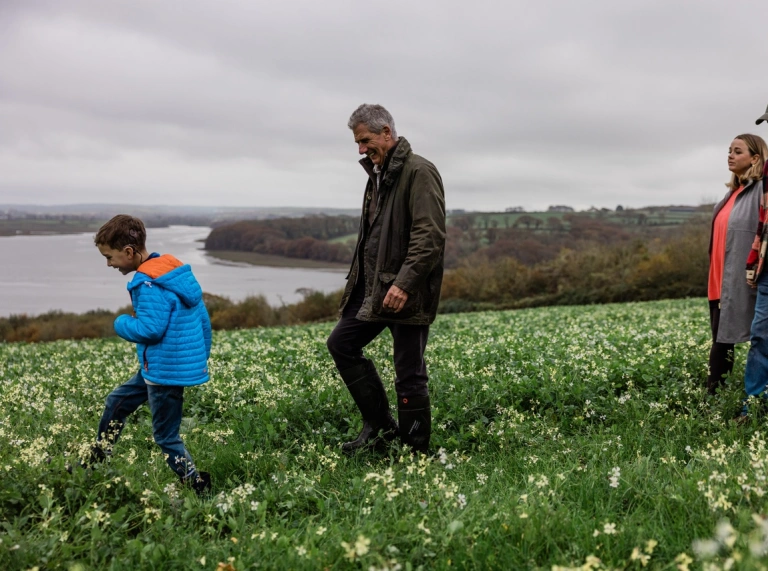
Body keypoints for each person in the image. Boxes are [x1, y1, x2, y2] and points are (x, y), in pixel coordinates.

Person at [326, 104, 446, 454]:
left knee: (409, 372)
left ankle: (416, 452)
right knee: (341, 344)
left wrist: (404, 283)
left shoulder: (420, 171)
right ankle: (381, 431)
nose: (361, 149)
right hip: (375, 289)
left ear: (386, 134)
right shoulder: (377, 174)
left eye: (365, 141)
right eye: (358, 143)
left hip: (408, 290)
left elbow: (430, 236)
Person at [88, 215, 212, 494]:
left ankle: (197, 485)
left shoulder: (148, 284)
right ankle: (97, 457)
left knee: (166, 437)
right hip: (159, 366)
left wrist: (121, 323)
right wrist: (201, 356)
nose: (109, 264)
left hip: (164, 372)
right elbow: (203, 319)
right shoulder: (172, 272)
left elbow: (150, 330)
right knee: (117, 401)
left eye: (110, 257)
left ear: (129, 252)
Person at [707, 135, 767, 395]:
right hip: (718, 279)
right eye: (729, 150)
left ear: (755, 158)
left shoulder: (760, 191)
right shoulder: (732, 193)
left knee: (733, 340)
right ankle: (717, 394)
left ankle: (713, 395)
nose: (730, 155)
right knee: (721, 338)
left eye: (737, 151)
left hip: (742, 279)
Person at [740, 112, 768, 412]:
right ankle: (755, 405)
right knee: (760, 336)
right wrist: (752, 262)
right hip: (767, 271)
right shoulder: (767, 173)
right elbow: (763, 223)